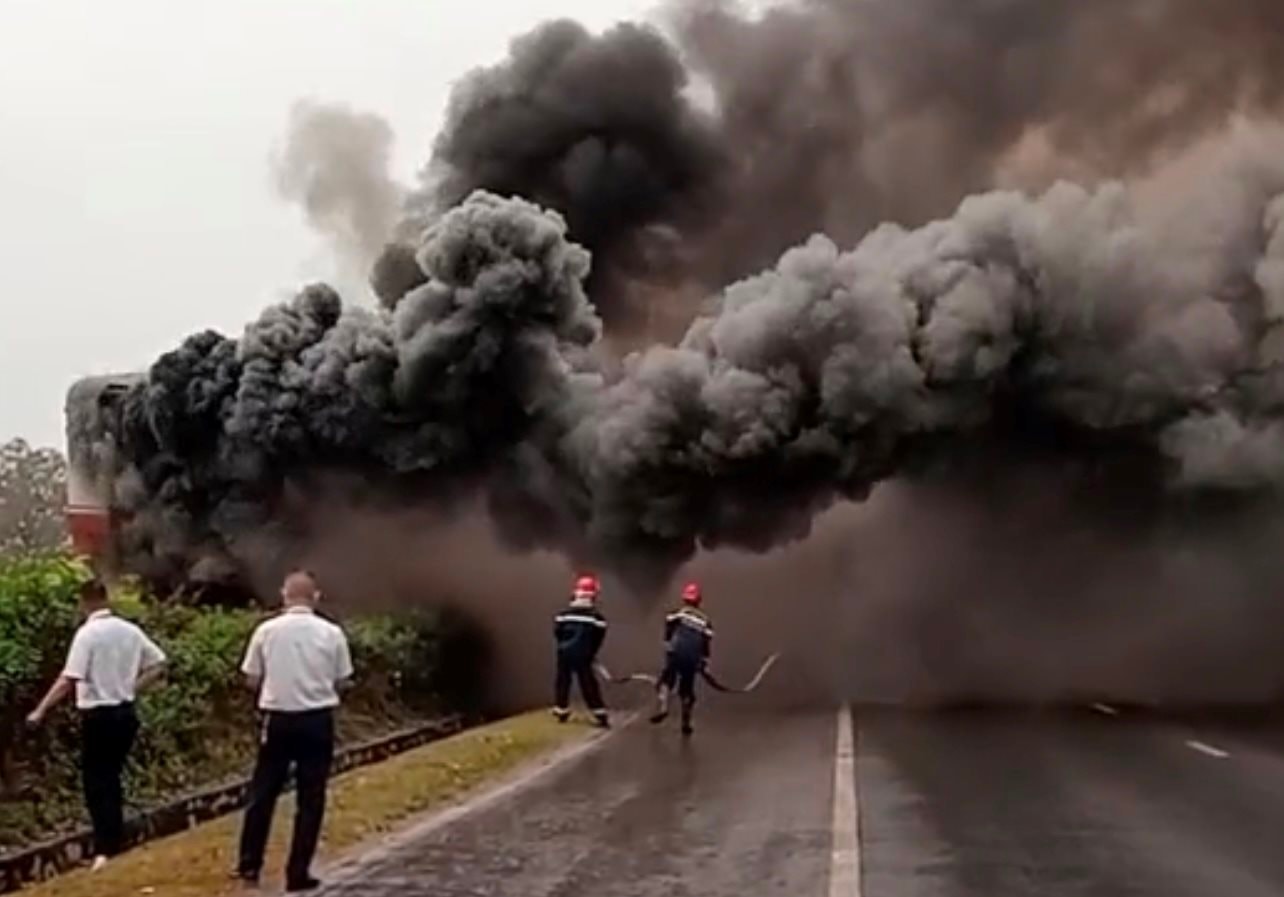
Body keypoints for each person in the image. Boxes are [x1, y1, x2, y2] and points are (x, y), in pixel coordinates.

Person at [26, 579, 167, 871]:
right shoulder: (129, 630)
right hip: (125, 712)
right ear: (106, 599)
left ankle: (105, 845)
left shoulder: (87, 635)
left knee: (96, 781)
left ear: (84, 602)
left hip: (98, 715)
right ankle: (115, 838)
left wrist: (40, 710)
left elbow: (69, 678)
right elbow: (159, 662)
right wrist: (131, 687)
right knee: (112, 776)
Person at [233, 570, 353, 893]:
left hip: (278, 719)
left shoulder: (266, 631)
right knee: (310, 798)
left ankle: (249, 867)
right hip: (317, 720)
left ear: (284, 596)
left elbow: (251, 678)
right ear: (316, 597)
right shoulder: (332, 633)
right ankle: (297, 873)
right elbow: (342, 679)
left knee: (263, 793)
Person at [650, 581, 714, 737]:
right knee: (687, 688)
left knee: (665, 682)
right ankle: (686, 720)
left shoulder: (677, 613)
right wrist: (704, 662)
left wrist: (668, 645)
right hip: (693, 657)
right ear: (699, 600)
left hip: (676, 652)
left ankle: (663, 708)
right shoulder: (706, 621)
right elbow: (706, 644)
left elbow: (668, 629)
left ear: (684, 599)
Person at [552, 574, 610, 728]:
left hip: (564, 652)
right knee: (588, 684)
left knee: (563, 681)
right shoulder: (597, 618)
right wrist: (591, 653)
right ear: (593, 596)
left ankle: (561, 710)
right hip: (583, 655)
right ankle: (600, 713)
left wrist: (564, 645)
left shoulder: (563, 615)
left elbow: (557, 633)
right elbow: (598, 638)